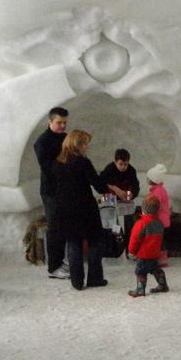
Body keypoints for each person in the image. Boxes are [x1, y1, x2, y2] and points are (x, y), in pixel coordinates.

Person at [50, 129, 112, 290]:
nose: (87, 147)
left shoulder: (57, 163)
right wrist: (108, 185)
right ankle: (95, 279)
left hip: (64, 209)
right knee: (95, 242)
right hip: (84, 208)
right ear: (77, 145)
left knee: (73, 243)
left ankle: (76, 282)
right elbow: (99, 186)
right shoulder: (83, 162)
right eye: (85, 143)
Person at [33, 106, 69, 279]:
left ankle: (61, 262)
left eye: (64, 123)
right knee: (54, 227)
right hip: (51, 191)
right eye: (59, 122)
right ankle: (54, 267)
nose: (62, 126)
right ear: (50, 122)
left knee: (63, 226)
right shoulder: (42, 142)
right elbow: (48, 167)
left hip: (65, 190)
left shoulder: (64, 137)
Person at [127, 195, 170, 297]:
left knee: (140, 272)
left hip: (143, 255)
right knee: (156, 269)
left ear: (143, 209)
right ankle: (163, 285)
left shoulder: (140, 224)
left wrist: (131, 251)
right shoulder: (159, 223)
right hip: (155, 254)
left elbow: (134, 240)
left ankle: (140, 290)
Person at [98, 148, 140, 240]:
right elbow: (101, 181)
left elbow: (135, 186)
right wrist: (115, 188)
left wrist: (130, 194)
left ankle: (129, 240)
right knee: (113, 223)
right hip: (110, 199)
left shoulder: (131, 170)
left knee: (128, 221)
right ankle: (117, 240)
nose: (123, 167)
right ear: (115, 161)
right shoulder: (110, 168)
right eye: (120, 164)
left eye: (125, 164)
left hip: (124, 201)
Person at [145, 163, 171, 267]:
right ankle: (161, 258)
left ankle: (160, 258)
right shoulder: (159, 190)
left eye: (148, 178)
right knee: (160, 239)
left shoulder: (157, 192)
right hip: (162, 220)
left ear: (153, 180)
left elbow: (155, 206)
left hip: (158, 220)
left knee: (157, 240)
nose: (147, 179)